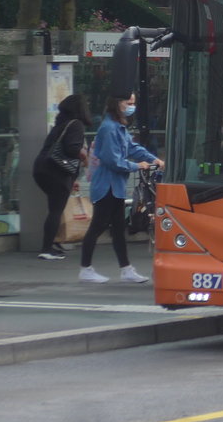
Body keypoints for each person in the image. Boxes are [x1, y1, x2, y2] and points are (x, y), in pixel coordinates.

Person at [79, 93, 164, 284]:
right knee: (98, 226)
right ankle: (86, 268)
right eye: (129, 103)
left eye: (133, 102)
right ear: (117, 104)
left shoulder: (118, 127)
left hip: (114, 186)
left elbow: (132, 148)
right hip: (106, 186)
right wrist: (138, 165)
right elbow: (113, 160)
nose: (132, 106)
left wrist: (153, 159)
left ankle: (125, 269)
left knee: (118, 229)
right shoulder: (109, 129)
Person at [32, 94, 92, 260]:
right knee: (56, 210)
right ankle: (46, 248)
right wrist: (84, 155)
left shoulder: (61, 123)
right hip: (56, 171)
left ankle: (51, 244)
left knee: (54, 209)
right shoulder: (76, 125)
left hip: (43, 168)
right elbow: (73, 148)